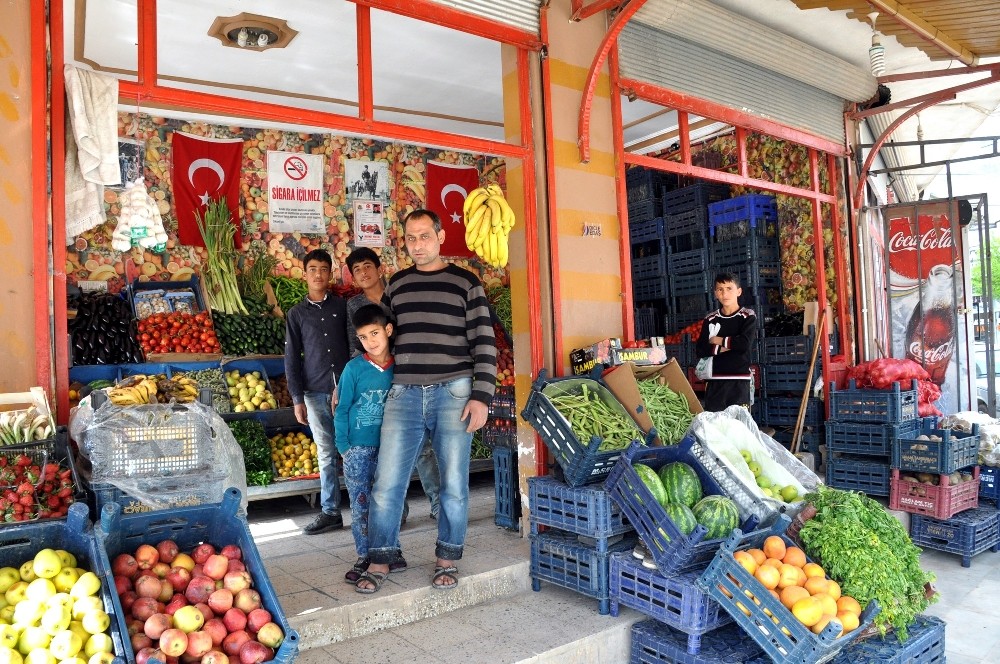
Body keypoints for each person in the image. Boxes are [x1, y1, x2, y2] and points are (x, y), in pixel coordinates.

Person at [355, 209, 496, 594]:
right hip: (404, 392)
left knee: (453, 483)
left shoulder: (466, 283)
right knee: (387, 482)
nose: (418, 245)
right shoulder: (397, 286)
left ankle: (447, 558)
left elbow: (484, 342)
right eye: (411, 238)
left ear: (440, 236)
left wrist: (481, 396)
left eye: (425, 236)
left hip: (454, 392)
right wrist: (358, 375)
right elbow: (383, 340)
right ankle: (380, 557)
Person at [345, 247, 441, 520]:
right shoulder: (353, 305)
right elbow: (355, 344)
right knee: (387, 447)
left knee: (421, 444)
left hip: (408, 373)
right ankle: (398, 510)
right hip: (377, 378)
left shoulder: (399, 292)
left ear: (379, 269)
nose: (363, 273)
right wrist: (356, 379)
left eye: (367, 266)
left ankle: (438, 502)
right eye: (356, 270)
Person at [335, 304, 407, 583]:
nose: (370, 341)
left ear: (388, 330)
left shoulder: (401, 368)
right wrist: (344, 446)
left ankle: (391, 550)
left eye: (375, 333)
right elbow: (342, 408)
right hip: (358, 449)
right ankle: (365, 555)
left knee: (389, 502)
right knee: (361, 504)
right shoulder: (353, 369)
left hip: (391, 448)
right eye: (363, 337)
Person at [284, 249, 351, 534]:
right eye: (313, 269)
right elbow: (291, 358)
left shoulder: (343, 308)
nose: (318, 274)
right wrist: (297, 398)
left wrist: (349, 384)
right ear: (305, 274)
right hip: (314, 392)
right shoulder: (296, 314)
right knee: (325, 453)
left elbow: (354, 346)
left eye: (324, 269)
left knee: (355, 449)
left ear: (330, 273)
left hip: (346, 391)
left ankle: (366, 506)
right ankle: (330, 512)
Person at [695, 273, 757, 411]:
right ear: (715, 293)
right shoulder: (710, 319)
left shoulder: (747, 316)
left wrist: (718, 340)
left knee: (738, 422)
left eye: (729, 288)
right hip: (714, 381)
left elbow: (744, 344)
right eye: (720, 289)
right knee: (715, 422)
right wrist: (731, 344)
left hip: (740, 381)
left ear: (739, 291)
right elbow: (700, 349)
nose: (725, 293)